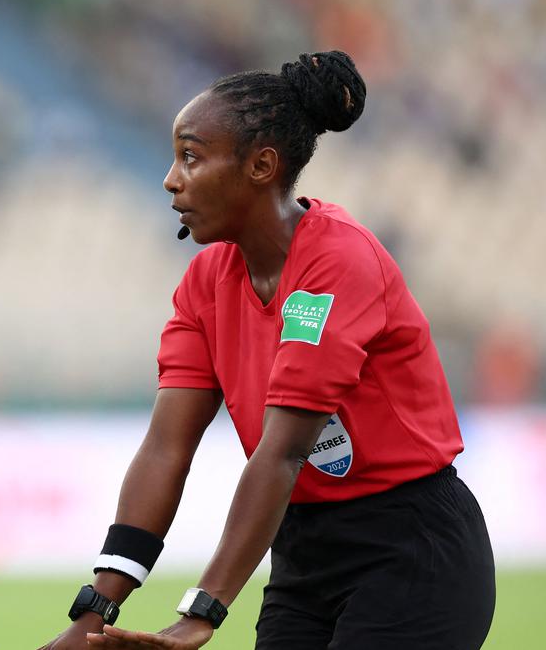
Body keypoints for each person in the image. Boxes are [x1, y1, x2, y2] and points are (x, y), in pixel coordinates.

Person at [41, 51, 495, 650]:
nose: (170, 178)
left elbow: (283, 453)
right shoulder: (204, 282)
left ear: (261, 165)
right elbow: (166, 447)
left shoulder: (338, 262)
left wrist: (203, 610)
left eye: (191, 157)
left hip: (411, 547)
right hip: (304, 552)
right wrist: (96, 608)